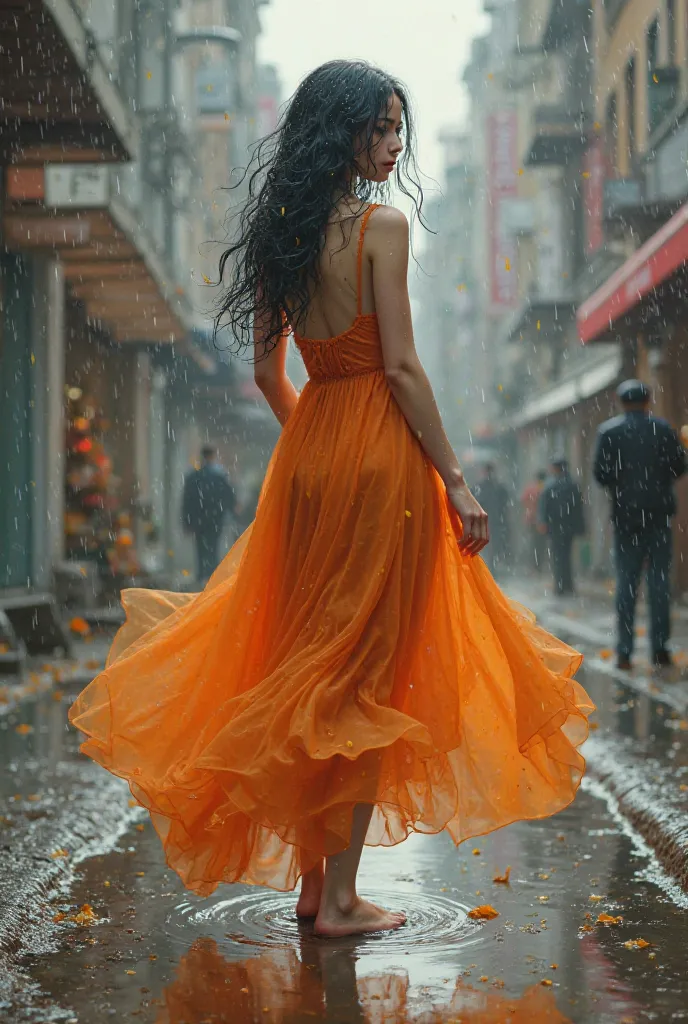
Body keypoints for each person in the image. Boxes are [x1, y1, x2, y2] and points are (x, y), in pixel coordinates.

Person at [69, 61, 592, 940]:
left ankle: (315, 887)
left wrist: (318, 436)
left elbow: (269, 372)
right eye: (381, 129)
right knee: (360, 670)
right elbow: (400, 366)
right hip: (384, 462)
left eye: (399, 130)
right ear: (343, 132)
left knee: (309, 654)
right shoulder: (383, 228)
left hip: (310, 458)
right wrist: (454, 478)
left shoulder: (286, 229)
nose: (393, 146)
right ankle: (340, 899)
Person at [593, 379, 686, 671]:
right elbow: (680, 466)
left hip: (625, 518)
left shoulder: (609, 432)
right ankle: (660, 649)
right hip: (659, 516)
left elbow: (600, 474)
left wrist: (623, 485)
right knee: (659, 583)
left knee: (626, 583)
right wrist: (657, 482)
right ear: (648, 401)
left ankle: (624, 651)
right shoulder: (663, 430)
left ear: (621, 402)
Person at [181, 445, 237, 584]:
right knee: (213, 546)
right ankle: (212, 576)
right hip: (215, 518)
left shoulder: (193, 477)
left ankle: (201, 575)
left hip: (198, 519)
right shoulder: (219, 476)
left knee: (200, 546)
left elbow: (187, 500)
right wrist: (231, 512)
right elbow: (228, 496)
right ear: (212, 456)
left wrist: (187, 521)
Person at [538, 457, 585, 596]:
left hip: (555, 526)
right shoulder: (573, 485)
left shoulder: (550, 486)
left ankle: (560, 586)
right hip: (568, 526)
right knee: (566, 555)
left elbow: (544, 506)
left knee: (558, 556)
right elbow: (578, 508)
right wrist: (580, 526)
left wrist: (543, 522)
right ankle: (568, 585)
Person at [472, 462, 510, 577]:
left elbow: (475, 503)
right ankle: (490, 568)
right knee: (493, 546)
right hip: (496, 520)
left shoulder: (479, 487)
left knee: (484, 545)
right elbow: (505, 506)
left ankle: (486, 569)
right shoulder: (499, 487)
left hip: (484, 520)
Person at [520, 470, 547, 572]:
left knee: (533, 544)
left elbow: (523, 500)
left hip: (531, 519)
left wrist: (529, 509)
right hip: (541, 521)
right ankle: (539, 565)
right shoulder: (544, 488)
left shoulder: (531, 488)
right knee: (541, 544)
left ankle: (534, 565)